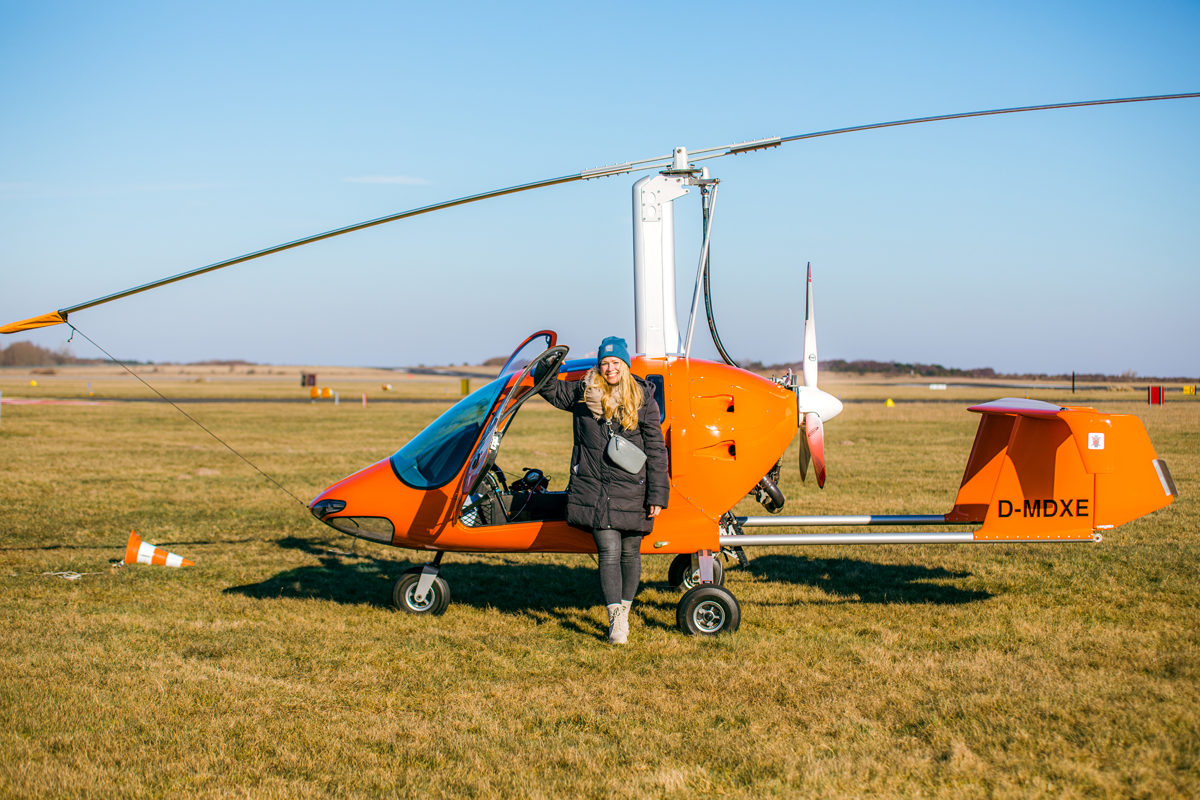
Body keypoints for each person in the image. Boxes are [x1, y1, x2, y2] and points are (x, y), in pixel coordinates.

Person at [538, 335, 669, 644]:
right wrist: (549, 361)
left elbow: (655, 447)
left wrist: (657, 496)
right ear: (599, 365)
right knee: (608, 551)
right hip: (594, 488)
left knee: (630, 553)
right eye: (605, 363)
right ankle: (616, 621)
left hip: (632, 488)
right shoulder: (582, 393)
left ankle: (624, 611)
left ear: (625, 365)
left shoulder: (643, 399)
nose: (610, 369)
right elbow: (548, 388)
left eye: (615, 363)